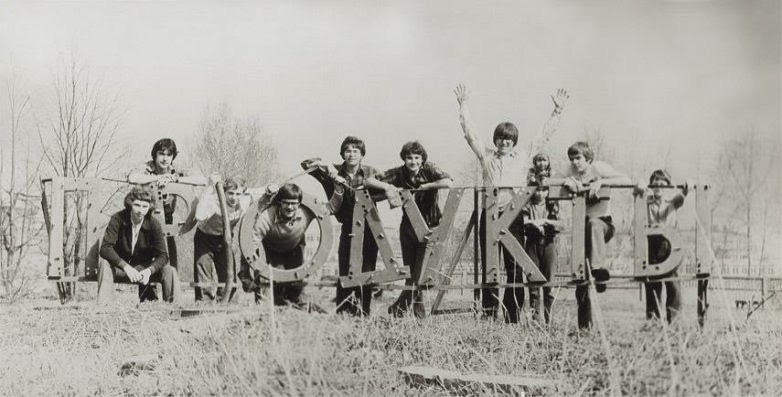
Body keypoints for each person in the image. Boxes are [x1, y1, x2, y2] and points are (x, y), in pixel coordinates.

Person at [454, 84, 568, 320]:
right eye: (501, 138)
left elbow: (543, 136)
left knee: (514, 265)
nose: (504, 142)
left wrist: (557, 112)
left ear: (514, 141)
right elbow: (470, 134)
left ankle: (512, 315)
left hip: (513, 214)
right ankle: (488, 313)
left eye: (508, 139)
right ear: (495, 139)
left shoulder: (523, 157)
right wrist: (463, 105)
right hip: (490, 213)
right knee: (489, 266)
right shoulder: (486, 156)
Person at [301, 136, 385, 316]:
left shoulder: (371, 172)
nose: (351, 154)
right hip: (348, 228)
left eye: (356, 151)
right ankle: (343, 313)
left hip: (370, 228)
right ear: (342, 154)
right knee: (345, 269)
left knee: (367, 271)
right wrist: (327, 167)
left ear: (362, 155)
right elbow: (306, 164)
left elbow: (389, 185)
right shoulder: (334, 171)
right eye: (348, 151)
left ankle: (363, 313)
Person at [372, 141, 453, 318]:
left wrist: (425, 186)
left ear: (422, 159)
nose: (413, 161)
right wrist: (388, 187)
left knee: (420, 275)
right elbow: (370, 180)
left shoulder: (429, 168)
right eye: (409, 158)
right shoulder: (399, 173)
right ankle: (418, 316)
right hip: (408, 228)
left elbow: (448, 182)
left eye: (417, 158)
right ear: (404, 159)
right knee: (411, 274)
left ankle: (399, 309)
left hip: (430, 227)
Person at [557, 141, 631, 330]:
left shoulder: (598, 167)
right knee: (581, 276)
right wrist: (567, 182)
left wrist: (602, 181)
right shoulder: (569, 169)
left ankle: (598, 270)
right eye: (572, 158)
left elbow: (625, 179)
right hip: (582, 231)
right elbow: (550, 181)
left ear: (588, 159)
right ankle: (585, 327)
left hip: (603, 224)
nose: (575, 162)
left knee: (594, 224)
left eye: (578, 158)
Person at [239, 183, 322, 311]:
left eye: (294, 203)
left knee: (297, 282)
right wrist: (245, 274)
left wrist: (327, 176)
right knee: (278, 280)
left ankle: (299, 309)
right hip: (274, 249)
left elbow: (331, 209)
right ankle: (280, 310)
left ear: (299, 204)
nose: (290, 207)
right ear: (279, 203)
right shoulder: (267, 217)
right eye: (286, 203)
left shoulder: (306, 213)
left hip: (296, 247)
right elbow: (250, 245)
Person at [127, 138, 206, 269]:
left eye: (169, 155)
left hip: (168, 218)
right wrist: (159, 178)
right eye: (161, 154)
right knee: (145, 253)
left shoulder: (176, 169)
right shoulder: (147, 167)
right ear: (155, 155)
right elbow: (132, 177)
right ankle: (146, 285)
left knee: (169, 252)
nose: (165, 159)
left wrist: (175, 178)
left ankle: (172, 280)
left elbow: (202, 180)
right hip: (147, 217)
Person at [98, 186, 179, 303]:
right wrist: (126, 267)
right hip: (121, 268)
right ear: (130, 204)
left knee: (169, 270)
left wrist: (149, 271)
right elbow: (105, 248)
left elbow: (163, 255)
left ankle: (174, 310)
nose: (140, 210)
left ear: (149, 207)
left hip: (143, 269)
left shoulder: (154, 223)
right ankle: (103, 308)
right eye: (137, 205)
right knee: (104, 264)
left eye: (145, 206)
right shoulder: (117, 219)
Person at [188, 175, 256, 301]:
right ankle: (204, 304)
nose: (234, 198)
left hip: (225, 239)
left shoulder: (246, 200)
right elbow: (199, 216)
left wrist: (270, 189)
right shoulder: (214, 201)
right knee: (203, 272)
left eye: (238, 194)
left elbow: (261, 192)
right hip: (205, 238)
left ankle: (224, 303)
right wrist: (209, 187)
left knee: (228, 275)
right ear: (224, 192)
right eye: (230, 193)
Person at [635, 169, 688, 323]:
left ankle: (674, 320)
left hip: (668, 245)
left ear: (668, 186)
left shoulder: (672, 201)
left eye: (662, 182)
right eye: (655, 182)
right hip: (651, 243)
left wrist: (687, 186)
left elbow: (683, 195)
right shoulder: (645, 199)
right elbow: (636, 191)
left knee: (672, 283)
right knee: (652, 283)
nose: (658, 185)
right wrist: (639, 185)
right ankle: (653, 320)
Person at [521, 166, 564, 324]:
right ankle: (535, 319)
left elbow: (561, 223)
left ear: (548, 191)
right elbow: (524, 220)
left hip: (548, 243)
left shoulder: (552, 205)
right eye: (537, 190)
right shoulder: (528, 204)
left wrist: (545, 221)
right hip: (532, 242)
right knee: (533, 282)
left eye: (544, 190)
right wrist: (533, 223)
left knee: (549, 283)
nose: (540, 194)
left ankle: (548, 318)